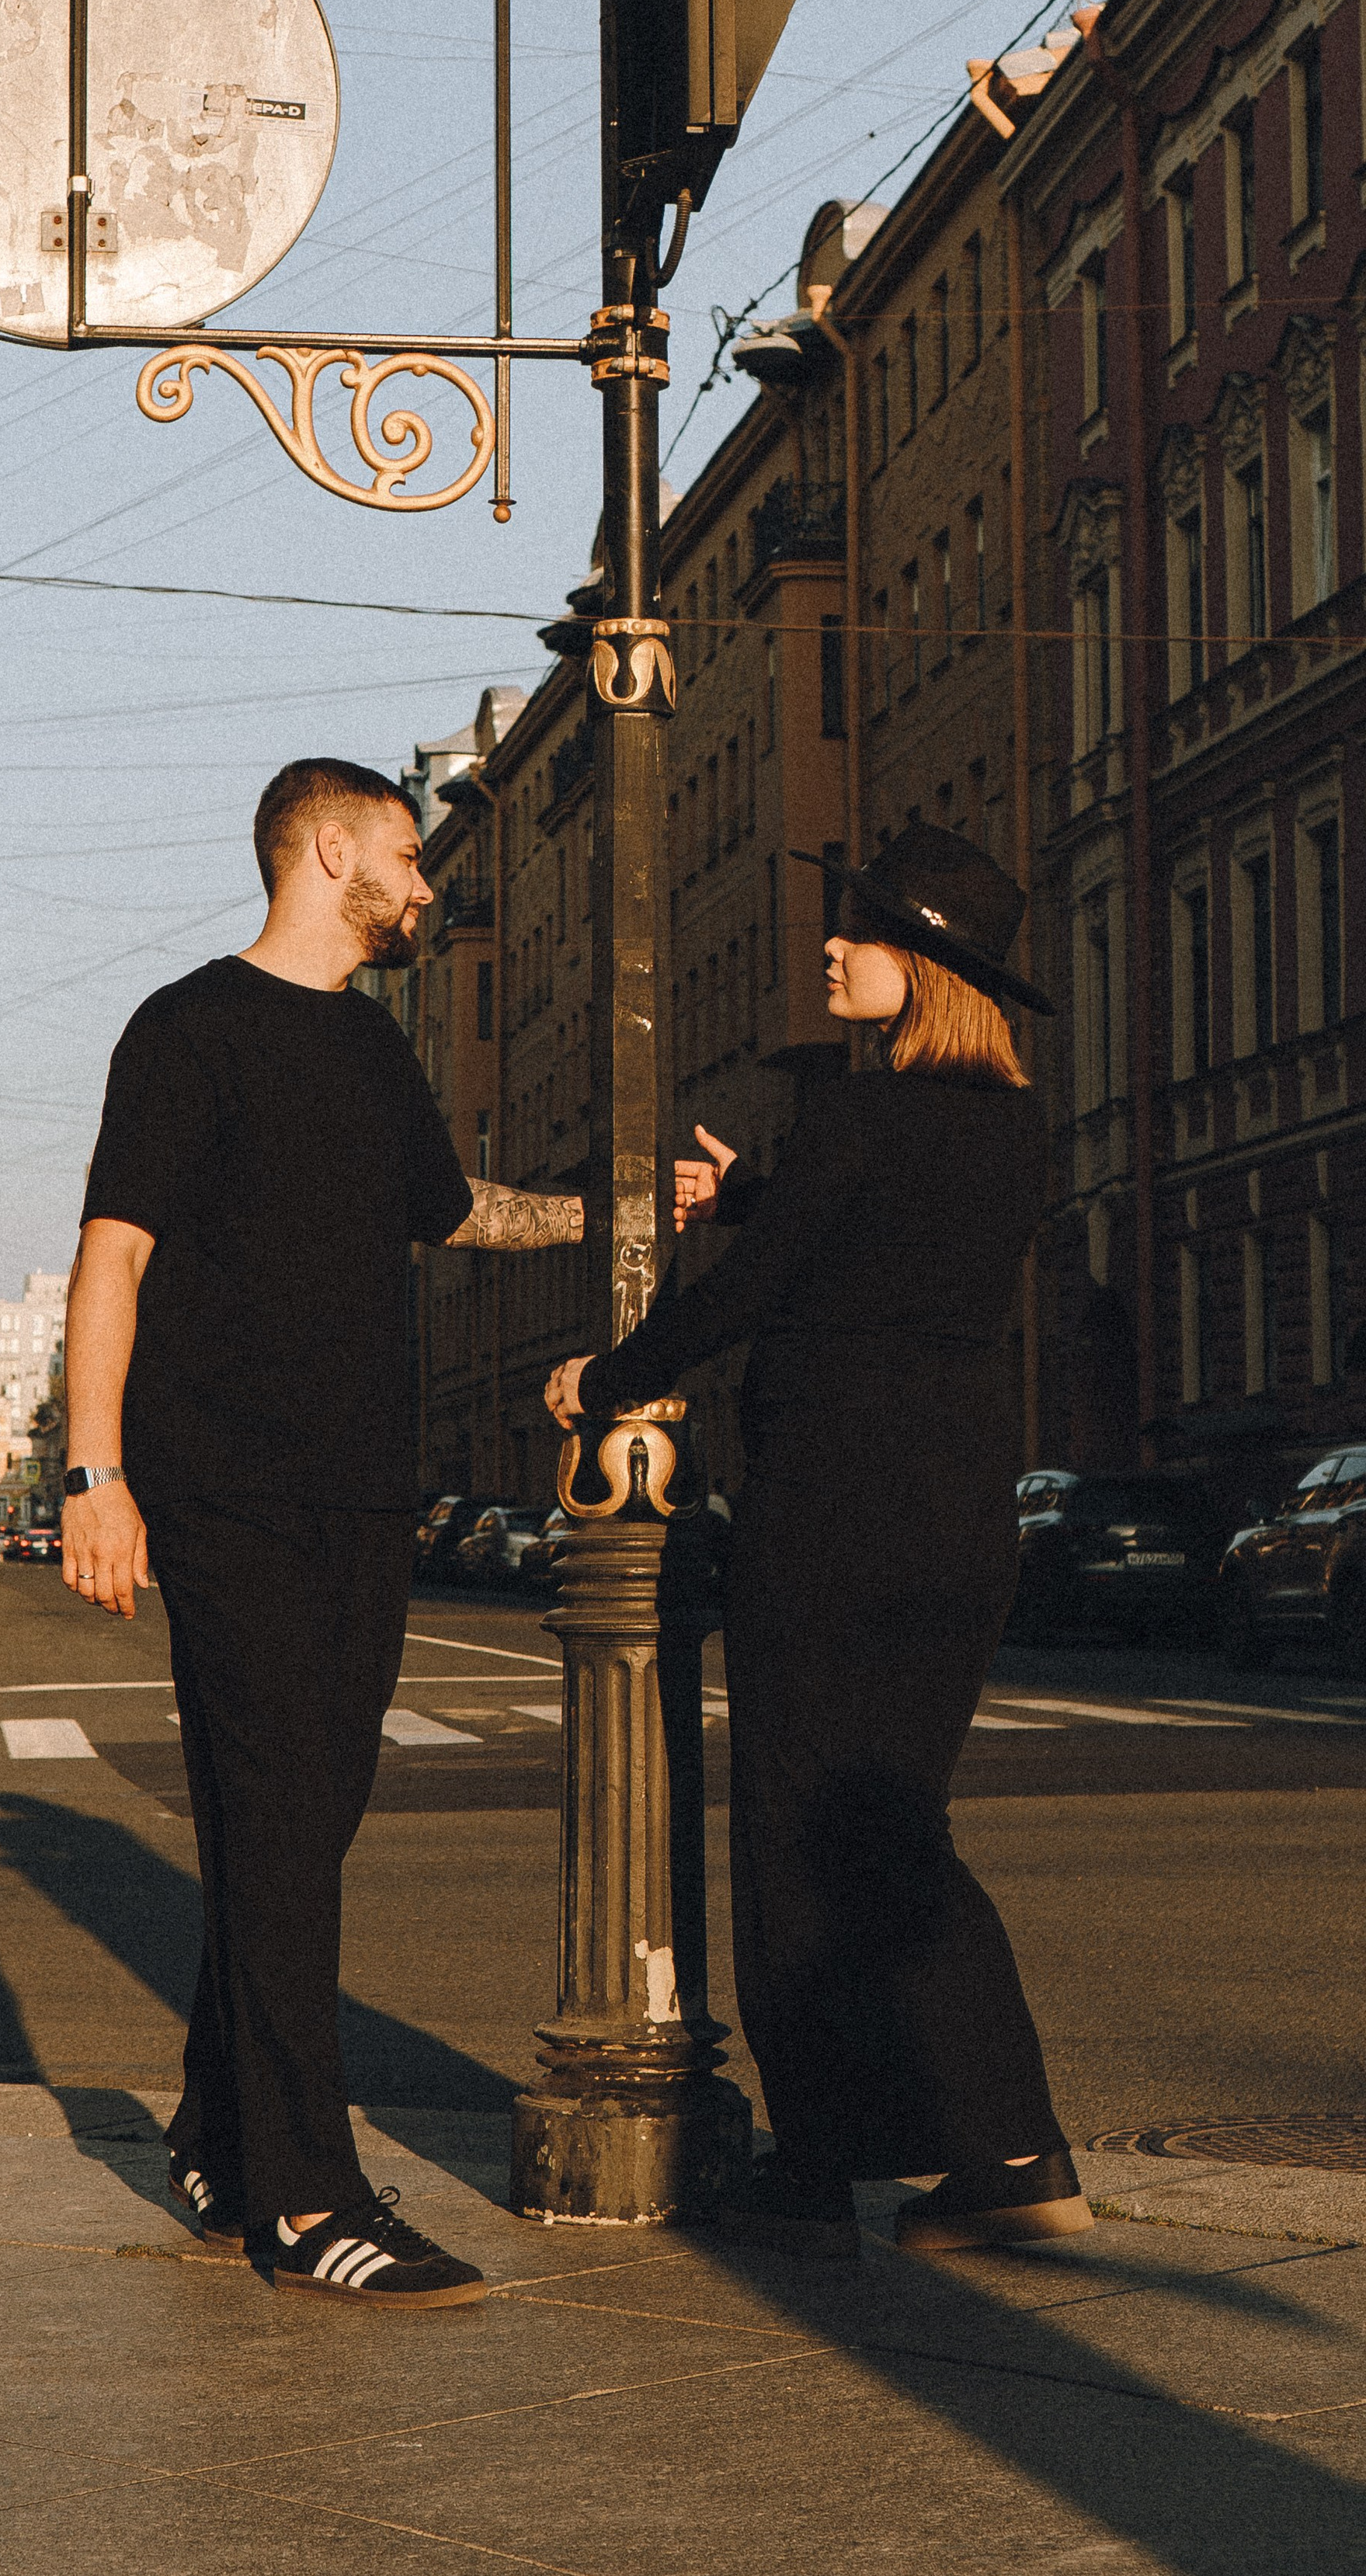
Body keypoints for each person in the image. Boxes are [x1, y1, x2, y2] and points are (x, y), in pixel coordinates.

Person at [64, 758, 583, 2310]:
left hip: (364, 1491)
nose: (426, 887)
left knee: (300, 1820)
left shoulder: (370, 1045)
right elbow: (113, 1254)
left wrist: (633, 1211)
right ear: (332, 850)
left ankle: (220, 2131)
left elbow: (456, 1212)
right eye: (410, 858)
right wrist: (94, 1475)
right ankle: (302, 2197)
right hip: (227, 1487)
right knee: (283, 1824)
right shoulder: (187, 1028)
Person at [545, 825, 1092, 2263]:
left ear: (922, 967)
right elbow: (873, 1255)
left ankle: (993, 2151)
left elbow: (766, 1293)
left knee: (821, 1838)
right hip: (958, 1523)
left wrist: (601, 1377)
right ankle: (908, 2154)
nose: (833, 950)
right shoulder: (1001, 1128)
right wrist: (758, 1195)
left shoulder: (864, 1116)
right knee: (878, 1824)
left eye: (856, 931)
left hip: (837, 1521)